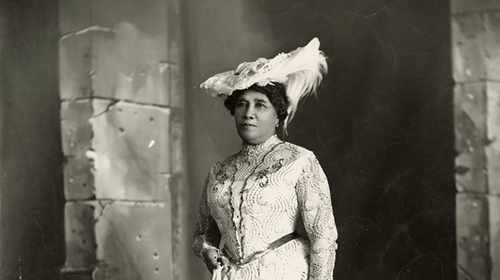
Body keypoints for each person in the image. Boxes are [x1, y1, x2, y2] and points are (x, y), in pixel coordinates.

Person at [192, 38, 338, 280]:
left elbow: (323, 237)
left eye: (260, 105)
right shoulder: (219, 170)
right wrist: (208, 251)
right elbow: (202, 235)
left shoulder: (300, 161)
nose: (249, 113)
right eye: (242, 104)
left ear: (278, 116)